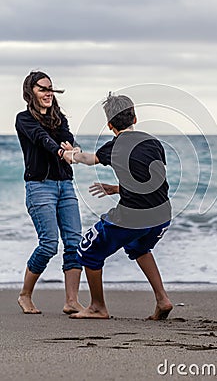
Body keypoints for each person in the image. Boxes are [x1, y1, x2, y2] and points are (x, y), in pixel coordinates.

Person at [62, 92, 173, 320]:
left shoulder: (112, 148)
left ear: (110, 124)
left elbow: (86, 159)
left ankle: (97, 307)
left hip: (134, 217)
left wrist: (70, 154)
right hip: (162, 214)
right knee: (139, 247)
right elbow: (152, 181)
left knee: (87, 249)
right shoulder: (154, 143)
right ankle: (162, 300)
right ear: (135, 118)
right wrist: (118, 188)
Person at [15, 71, 83, 314]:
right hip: (39, 187)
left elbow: (67, 139)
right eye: (42, 89)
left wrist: (72, 148)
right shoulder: (23, 119)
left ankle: (71, 301)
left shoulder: (59, 118)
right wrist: (60, 152)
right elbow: (41, 138)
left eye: (50, 89)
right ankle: (25, 294)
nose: (48, 93)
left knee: (75, 243)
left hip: (65, 184)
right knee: (48, 245)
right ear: (30, 92)